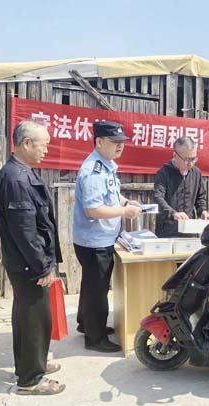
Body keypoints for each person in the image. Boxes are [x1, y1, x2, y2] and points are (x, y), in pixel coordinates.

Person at [0, 120, 65, 395]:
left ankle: (30, 365)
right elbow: (25, 231)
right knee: (35, 319)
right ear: (26, 143)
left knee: (27, 316)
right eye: (43, 145)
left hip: (25, 262)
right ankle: (31, 380)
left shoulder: (21, 172)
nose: (46, 150)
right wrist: (42, 267)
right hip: (29, 264)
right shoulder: (16, 179)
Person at [73, 121, 141, 352]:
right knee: (97, 291)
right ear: (99, 142)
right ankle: (95, 338)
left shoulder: (106, 164)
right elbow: (93, 210)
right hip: (95, 241)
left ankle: (86, 324)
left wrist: (126, 202)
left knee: (91, 285)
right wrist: (124, 212)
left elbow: (111, 194)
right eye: (114, 142)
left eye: (122, 142)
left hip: (99, 238)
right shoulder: (93, 171)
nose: (120, 146)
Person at [153, 136, 209, 237]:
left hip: (190, 231)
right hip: (168, 232)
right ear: (175, 155)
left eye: (194, 159)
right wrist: (173, 213)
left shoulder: (196, 173)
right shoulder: (164, 173)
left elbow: (200, 197)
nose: (191, 164)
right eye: (187, 160)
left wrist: (202, 210)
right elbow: (158, 198)